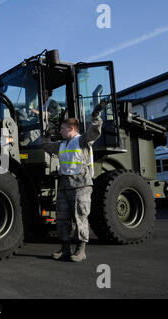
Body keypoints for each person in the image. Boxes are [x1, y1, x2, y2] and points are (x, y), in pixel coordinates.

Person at [42, 99, 107, 262]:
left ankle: (81, 250)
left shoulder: (82, 140)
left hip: (81, 185)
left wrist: (96, 115)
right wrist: (46, 136)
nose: (61, 131)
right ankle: (65, 248)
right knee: (62, 217)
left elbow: (95, 131)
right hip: (64, 185)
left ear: (71, 128)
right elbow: (47, 147)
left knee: (80, 217)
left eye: (63, 128)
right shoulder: (61, 144)